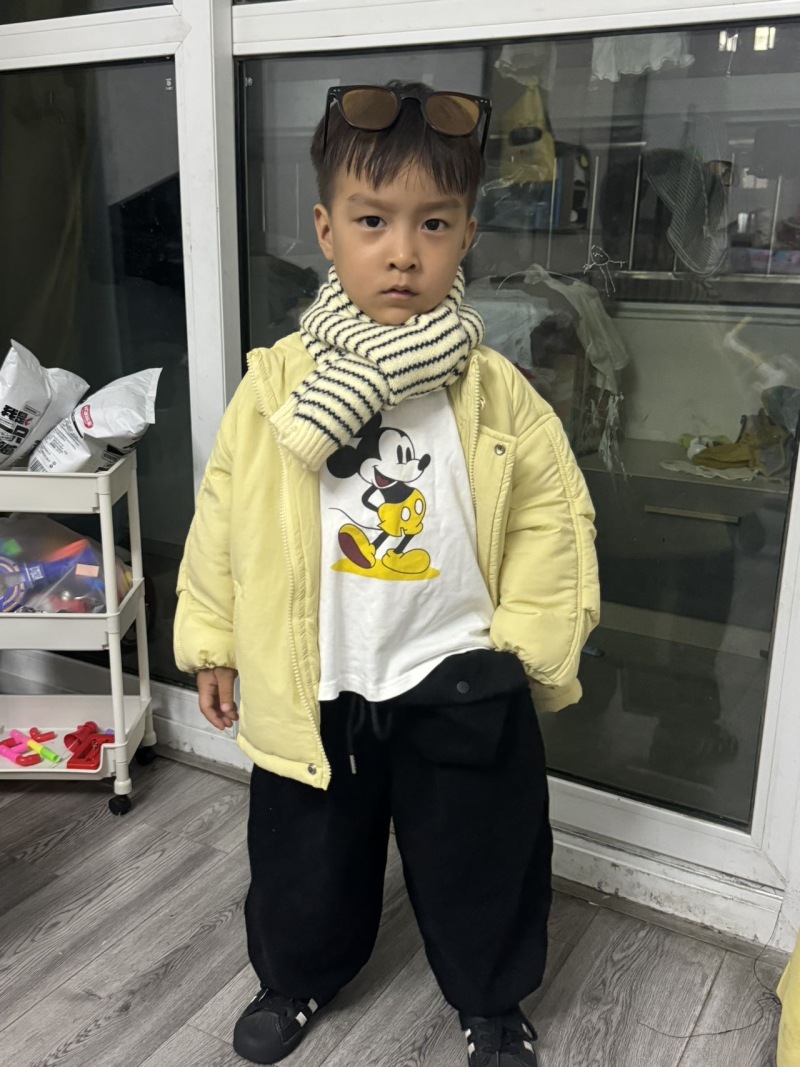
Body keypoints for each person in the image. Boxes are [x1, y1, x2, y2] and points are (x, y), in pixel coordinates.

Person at [174, 79, 599, 1067]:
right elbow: (224, 517)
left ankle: (490, 997)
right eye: (373, 221)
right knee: (304, 848)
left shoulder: (494, 390)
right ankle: (297, 973)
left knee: (482, 849)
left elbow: (551, 517)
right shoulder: (277, 386)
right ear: (327, 231)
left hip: (457, 672)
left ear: (466, 236)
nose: (403, 250)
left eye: (432, 223)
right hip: (319, 676)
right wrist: (213, 640)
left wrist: (526, 646)